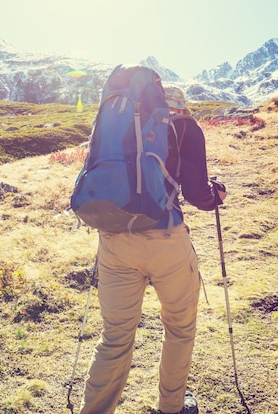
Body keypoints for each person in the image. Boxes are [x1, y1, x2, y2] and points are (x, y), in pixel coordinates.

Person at [79, 86, 227, 414]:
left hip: (114, 241)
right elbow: (196, 194)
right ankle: (171, 408)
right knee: (179, 327)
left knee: (115, 338)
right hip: (166, 242)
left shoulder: (114, 122)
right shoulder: (185, 126)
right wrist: (216, 194)